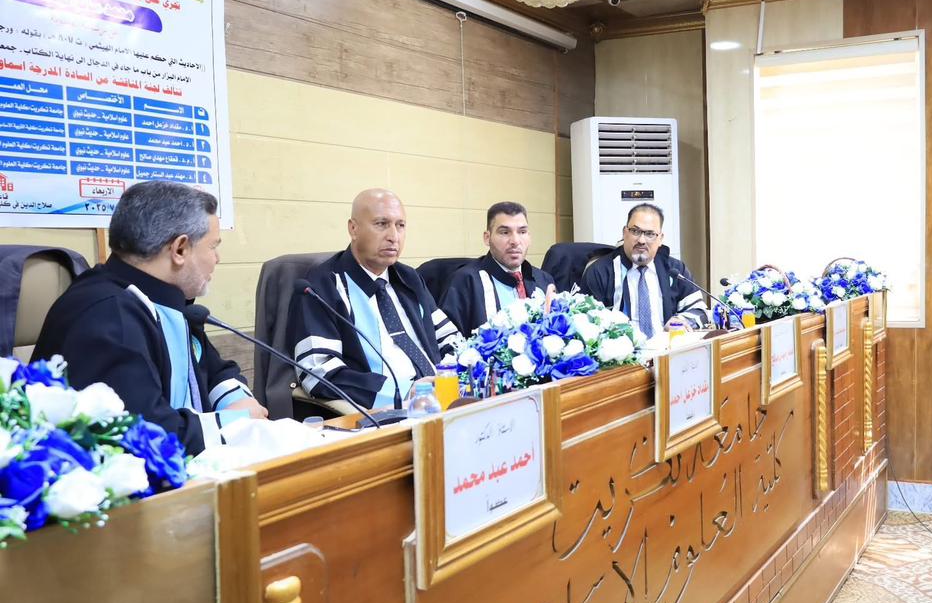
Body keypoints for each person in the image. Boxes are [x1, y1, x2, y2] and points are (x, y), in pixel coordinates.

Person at [33, 181, 266, 454]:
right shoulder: (109, 317)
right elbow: (144, 435)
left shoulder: (164, 299)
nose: (217, 258)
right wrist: (237, 422)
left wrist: (239, 403)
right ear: (180, 249)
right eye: (213, 246)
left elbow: (216, 371)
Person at [287, 189, 462, 410]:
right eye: (381, 224)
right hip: (381, 413)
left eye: (400, 225)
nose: (394, 236)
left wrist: (451, 377)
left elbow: (451, 339)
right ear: (353, 229)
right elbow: (318, 371)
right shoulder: (321, 287)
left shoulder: (409, 278)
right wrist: (404, 392)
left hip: (441, 402)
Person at [579, 203, 711, 336]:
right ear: (625, 233)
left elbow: (699, 310)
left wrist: (681, 321)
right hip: (622, 348)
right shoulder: (600, 272)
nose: (641, 240)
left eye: (650, 234)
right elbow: (585, 321)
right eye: (635, 231)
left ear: (660, 239)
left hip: (667, 346)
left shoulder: (674, 270)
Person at [441, 201, 556, 337]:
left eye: (522, 232)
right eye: (505, 232)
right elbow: (450, 342)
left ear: (529, 237)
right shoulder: (466, 282)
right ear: (487, 238)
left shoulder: (543, 280)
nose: (515, 241)